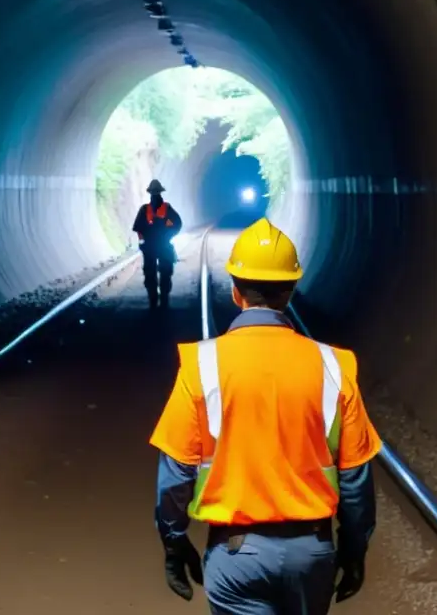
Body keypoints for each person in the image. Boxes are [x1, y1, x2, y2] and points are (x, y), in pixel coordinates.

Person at [149, 218, 381, 614]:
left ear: (235, 292)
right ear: (291, 291)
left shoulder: (201, 366)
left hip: (236, 554)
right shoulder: (333, 366)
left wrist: (174, 542)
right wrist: (354, 549)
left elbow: (176, 474)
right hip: (312, 553)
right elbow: (356, 479)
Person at [132, 179, 184, 309]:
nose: (155, 195)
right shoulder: (146, 209)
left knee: (163, 271)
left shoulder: (163, 208)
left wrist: (168, 235)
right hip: (154, 246)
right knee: (153, 273)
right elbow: (138, 228)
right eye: (154, 193)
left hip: (160, 245)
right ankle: (155, 298)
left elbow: (177, 224)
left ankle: (161, 298)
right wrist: (143, 240)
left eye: (156, 193)